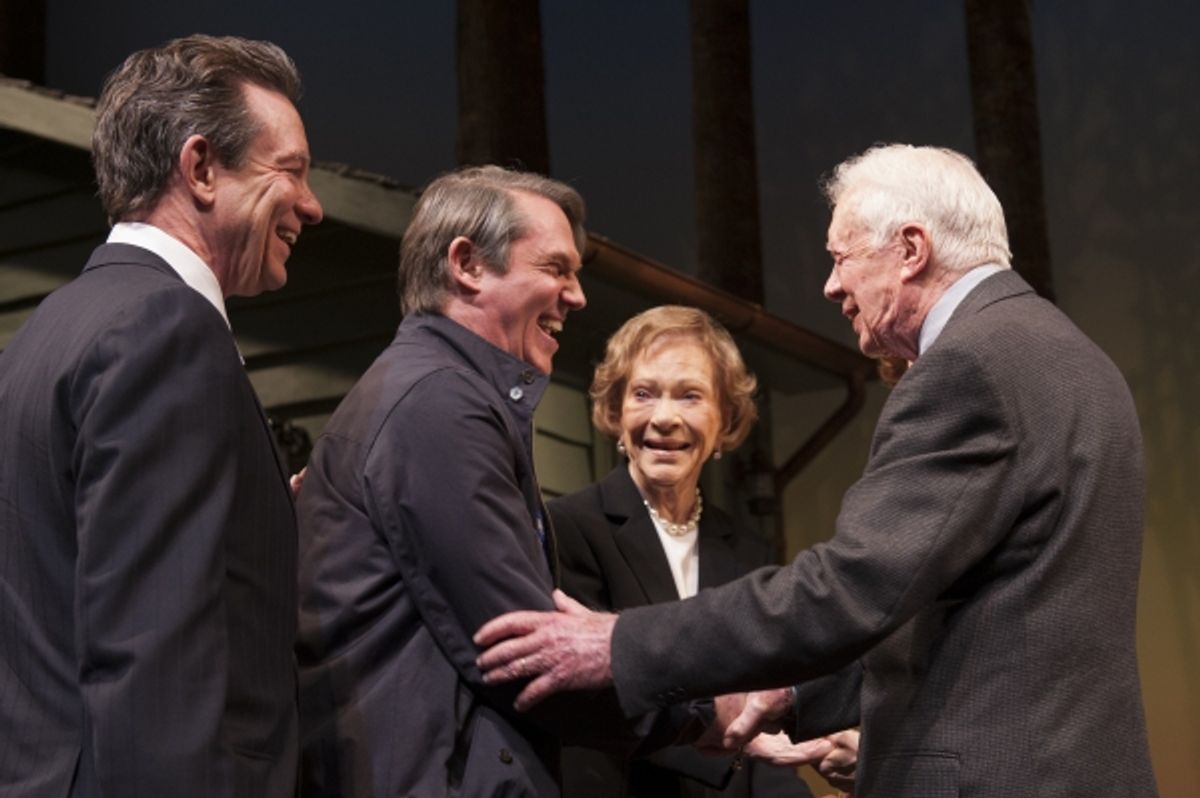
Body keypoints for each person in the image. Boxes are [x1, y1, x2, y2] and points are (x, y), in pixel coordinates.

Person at [475, 144, 1158, 796]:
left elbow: (854, 587)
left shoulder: (969, 366)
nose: (832, 286)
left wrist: (621, 640)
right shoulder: (1072, 357)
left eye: (841, 258)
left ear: (912, 250)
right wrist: (794, 693)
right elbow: (973, 614)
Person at [294, 166, 706, 798]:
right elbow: (525, 652)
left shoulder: (442, 394)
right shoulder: (439, 407)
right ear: (468, 264)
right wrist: (709, 713)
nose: (577, 295)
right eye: (555, 268)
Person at [0, 35, 322, 797]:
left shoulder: (44, 333)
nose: (311, 205)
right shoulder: (168, 331)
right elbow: (157, 658)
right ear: (201, 166)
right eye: (292, 171)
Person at [550, 305, 815, 797]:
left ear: (726, 420)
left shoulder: (750, 552)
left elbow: (766, 725)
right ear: (616, 411)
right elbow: (591, 710)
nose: (664, 418)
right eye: (644, 393)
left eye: (690, 395)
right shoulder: (570, 530)